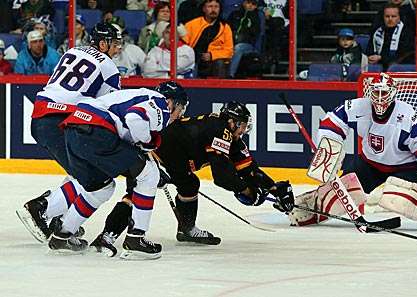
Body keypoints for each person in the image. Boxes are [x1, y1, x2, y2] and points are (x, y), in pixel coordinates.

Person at [89, 101, 295, 256]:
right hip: (154, 155)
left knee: (189, 184)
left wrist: (274, 189)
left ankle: (186, 229)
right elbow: (222, 177)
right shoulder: (220, 129)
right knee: (138, 193)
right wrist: (246, 191)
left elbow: (249, 169)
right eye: (241, 125)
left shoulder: (227, 136)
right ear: (231, 121)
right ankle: (107, 236)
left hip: (174, 162)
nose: (243, 130)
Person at [289, 73, 417, 226]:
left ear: (392, 93)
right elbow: (331, 121)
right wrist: (329, 147)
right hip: (369, 164)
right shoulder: (357, 107)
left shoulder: (406, 115)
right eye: (376, 93)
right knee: (345, 191)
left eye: (384, 93)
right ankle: (308, 210)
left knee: (397, 198)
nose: (379, 98)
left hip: (406, 168)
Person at [49, 82, 188, 259]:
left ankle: (62, 236)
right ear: (171, 101)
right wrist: (145, 143)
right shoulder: (160, 102)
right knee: (150, 175)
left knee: (100, 189)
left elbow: (126, 125)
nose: (178, 115)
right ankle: (136, 239)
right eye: (180, 108)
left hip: (73, 131)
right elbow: (135, 118)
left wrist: (142, 148)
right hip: (96, 131)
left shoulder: (136, 96)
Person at [16, 22, 122, 244]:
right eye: (114, 44)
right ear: (102, 43)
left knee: (80, 171)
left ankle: (59, 218)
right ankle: (43, 210)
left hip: (42, 117)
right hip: (61, 122)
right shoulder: (109, 67)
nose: (117, 48)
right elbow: (109, 107)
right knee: (94, 178)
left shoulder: (72, 51)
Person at [183, 0, 234, 78]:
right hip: (194, 58)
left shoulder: (225, 27)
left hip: (214, 61)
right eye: (210, 6)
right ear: (204, 9)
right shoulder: (191, 24)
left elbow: (229, 51)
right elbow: (183, 45)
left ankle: (220, 88)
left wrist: (212, 55)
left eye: (216, 7)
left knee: (220, 63)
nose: (213, 9)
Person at [366, 3, 415, 70]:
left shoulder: (406, 33)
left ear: (399, 17)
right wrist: (371, 57)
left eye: (393, 16)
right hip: (378, 64)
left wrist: (381, 58)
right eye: (387, 16)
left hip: (398, 65)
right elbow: (369, 50)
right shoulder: (377, 32)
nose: (390, 19)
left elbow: (404, 55)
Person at [227, 0, 261, 78]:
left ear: (256, 6)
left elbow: (256, 34)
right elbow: (226, 29)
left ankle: (230, 75)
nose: (250, 5)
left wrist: (250, 21)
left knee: (238, 48)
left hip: (248, 45)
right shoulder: (234, 14)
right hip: (231, 42)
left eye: (253, 4)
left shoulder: (257, 17)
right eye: (248, 2)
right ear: (243, 3)